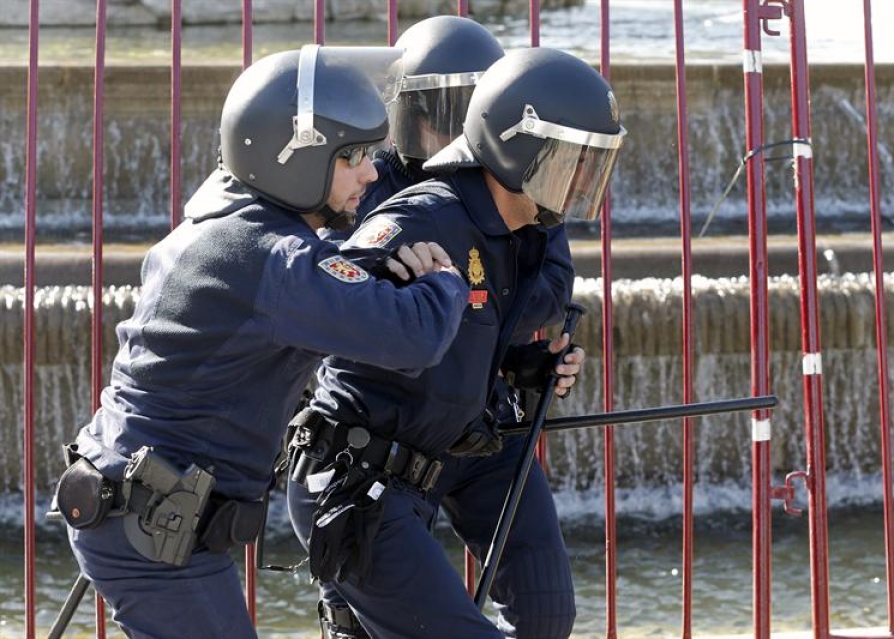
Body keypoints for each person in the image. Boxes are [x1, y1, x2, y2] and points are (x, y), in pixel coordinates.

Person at [52, 45, 471, 639]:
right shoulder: (273, 258)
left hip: (143, 509)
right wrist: (444, 281)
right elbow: (414, 336)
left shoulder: (224, 223)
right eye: (352, 156)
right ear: (292, 155)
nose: (372, 174)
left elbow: (319, 286)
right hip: (154, 523)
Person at [286, 46, 626, 639]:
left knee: (547, 620)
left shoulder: (529, 226)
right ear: (517, 151)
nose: (579, 182)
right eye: (571, 161)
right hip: (369, 465)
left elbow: (477, 326)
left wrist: (524, 365)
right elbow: (311, 309)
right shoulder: (420, 221)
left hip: (473, 440)